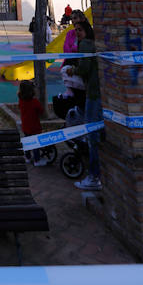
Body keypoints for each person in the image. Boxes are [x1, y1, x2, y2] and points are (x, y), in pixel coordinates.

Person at [66, 18, 102, 190]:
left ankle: (94, 176)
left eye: (80, 29)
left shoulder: (86, 45)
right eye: (76, 29)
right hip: (97, 91)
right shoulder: (91, 43)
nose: (77, 32)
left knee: (92, 133)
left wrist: (74, 70)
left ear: (87, 30)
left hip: (93, 94)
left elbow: (85, 68)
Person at [18, 80, 47, 166]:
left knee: (27, 142)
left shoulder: (21, 100)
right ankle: (37, 160)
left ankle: (27, 157)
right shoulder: (34, 102)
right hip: (34, 127)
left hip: (25, 126)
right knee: (35, 144)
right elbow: (41, 111)